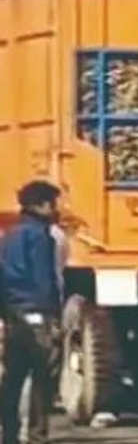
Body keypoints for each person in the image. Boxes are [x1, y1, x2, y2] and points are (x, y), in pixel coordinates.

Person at [1, 181, 65, 444]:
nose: (56, 209)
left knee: (13, 376)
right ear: (42, 205)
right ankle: (37, 435)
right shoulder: (40, 235)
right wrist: (53, 315)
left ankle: (9, 433)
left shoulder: (11, 234)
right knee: (41, 377)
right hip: (37, 312)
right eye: (54, 203)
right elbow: (43, 279)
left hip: (14, 312)